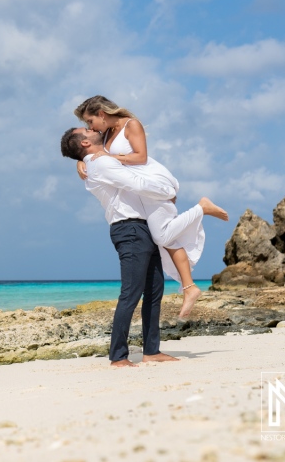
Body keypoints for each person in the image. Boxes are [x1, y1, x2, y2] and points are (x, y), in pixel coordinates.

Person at [73, 96, 228, 319]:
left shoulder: (130, 124)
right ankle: (189, 287)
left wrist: (109, 157)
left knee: (163, 236)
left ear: (101, 114)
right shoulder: (105, 133)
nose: (90, 127)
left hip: (152, 182)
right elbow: (93, 151)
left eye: (90, 121)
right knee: (164, 238)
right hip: (141, 190)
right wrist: (81, 160)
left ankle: (201, 208)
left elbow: (140, 156)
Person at [60, 126, 179, 367]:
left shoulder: (102, 160)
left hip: (143, 227)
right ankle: (118, 356)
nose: (92, 127)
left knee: (154, 290)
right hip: (130, 229)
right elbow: (136, 183)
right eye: (86, 128)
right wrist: (169, 192)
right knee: (131, 292)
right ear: (84, 143)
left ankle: (151, 351)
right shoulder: (101, 163)